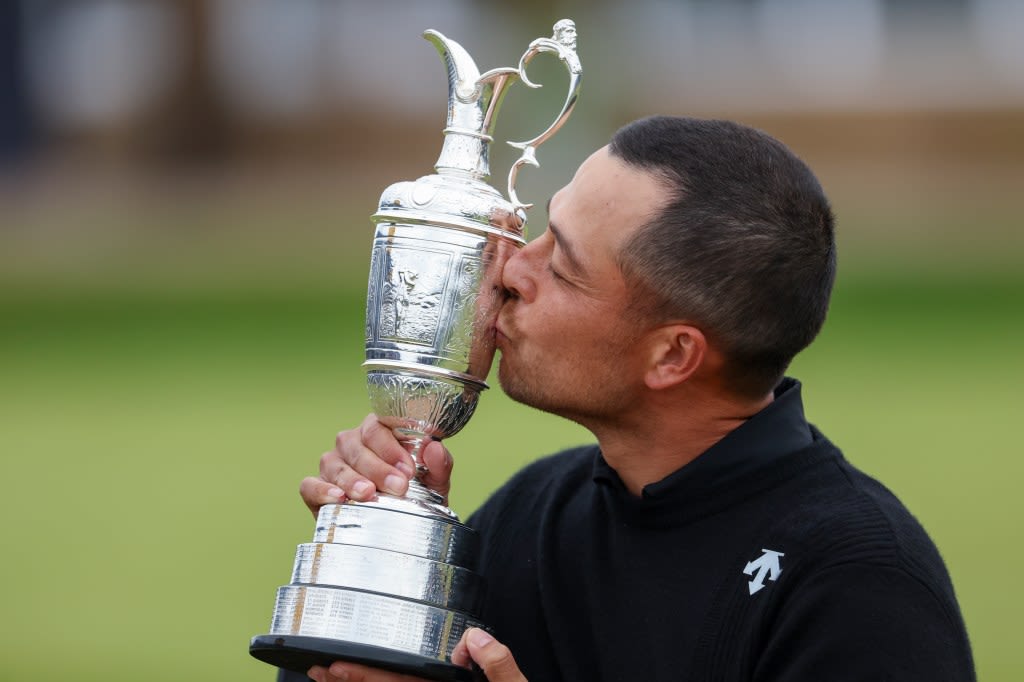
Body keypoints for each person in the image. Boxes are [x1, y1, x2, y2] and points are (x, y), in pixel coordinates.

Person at [297, 116, 975, 681]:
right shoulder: (536, 515)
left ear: (673, 355)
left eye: (561, 265)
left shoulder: (860, 585)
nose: (509, 270)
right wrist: (376, 572)